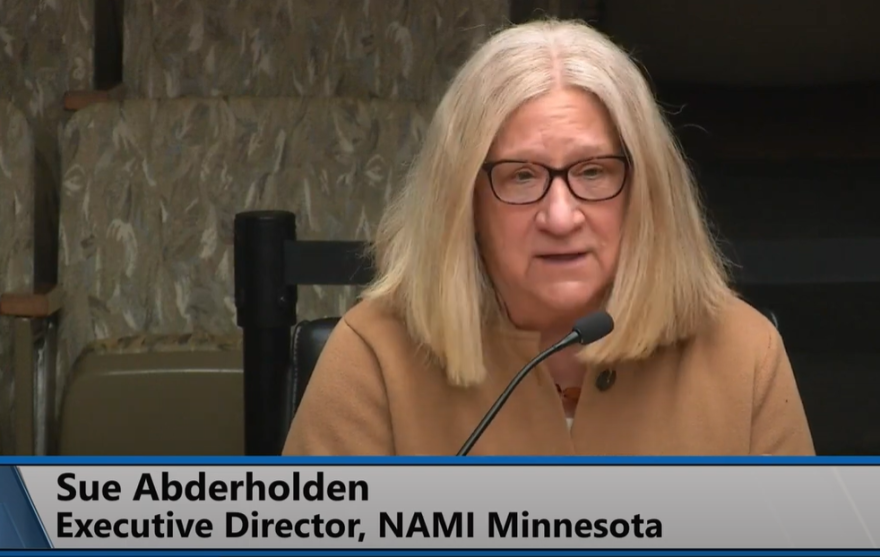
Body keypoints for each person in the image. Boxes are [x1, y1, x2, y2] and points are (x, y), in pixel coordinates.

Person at [282, 19, 815, 456]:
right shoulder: (374, 355)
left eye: (592, 172)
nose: (560, 217)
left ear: (644, 192)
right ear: (463, 203)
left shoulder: (745, 355)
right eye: (521, 176)